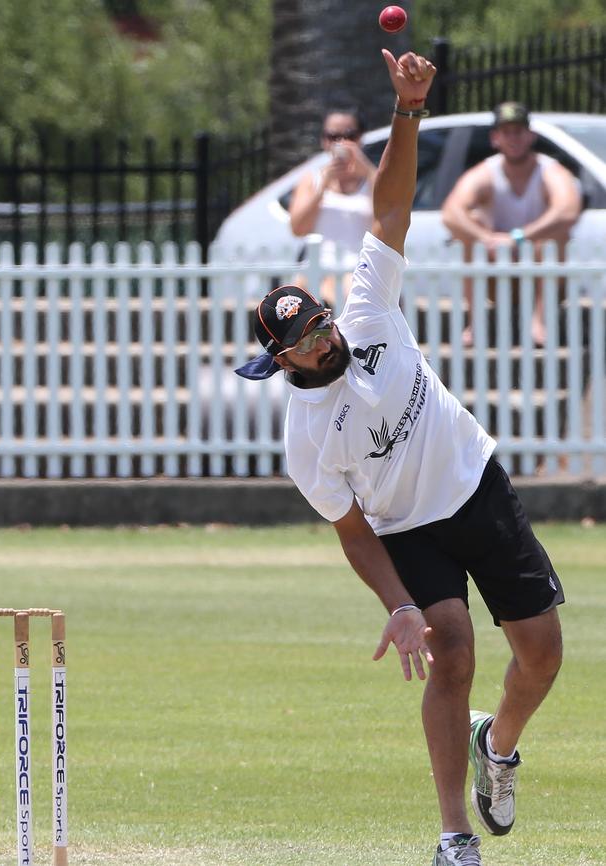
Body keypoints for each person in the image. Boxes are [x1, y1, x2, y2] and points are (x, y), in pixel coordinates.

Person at [236, 50, 564, 866]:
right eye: (309, 340)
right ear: (286, 362)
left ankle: (502, 746)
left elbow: (391, 212)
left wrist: (407, 109)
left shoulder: (368, 312)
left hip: (474, 482)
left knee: (543, 655)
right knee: (451, 652)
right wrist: (400, 605)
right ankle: (454, 834)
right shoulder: (306, 441)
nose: (328, 338)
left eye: (323, 322)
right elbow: (352, 533)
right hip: (408, 528)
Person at [441, 101, 581, 346]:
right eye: (506, 132)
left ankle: (539, 322)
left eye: (518, 132)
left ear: (531, 136)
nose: (513, 139)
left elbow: (567, 211)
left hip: (545, 277)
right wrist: (487, 239)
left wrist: (519, 237)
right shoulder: (486, 172)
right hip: (497, 275)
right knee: (470, 229)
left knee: (555, 239)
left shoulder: (549, 170)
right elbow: (451, 213)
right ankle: (476, 322)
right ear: (495, 138)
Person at [288, 107, 376, 308]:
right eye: (333, 136)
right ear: (323, 141)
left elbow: (388, 216)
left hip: (359, 266)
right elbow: (297, 228)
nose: (341, 143)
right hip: (317, 264)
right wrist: (322, 188)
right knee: (297, 302)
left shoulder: (373, 178)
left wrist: (369, 172)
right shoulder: (312, 179)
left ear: (361, 138)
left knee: (343, 290)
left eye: (349, 136)